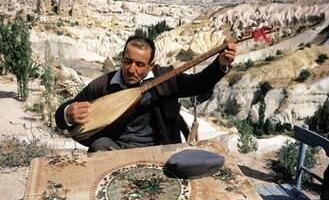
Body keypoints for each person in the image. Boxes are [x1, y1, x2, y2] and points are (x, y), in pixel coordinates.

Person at [54, 35, 237, 152]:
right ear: (122, 59)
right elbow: (63, 114)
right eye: (127, 61)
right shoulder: (104, 85)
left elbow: (197, 84)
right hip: (116, 149)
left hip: (160, 148)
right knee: (98, 148)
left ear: (150, 65)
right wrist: (68, 113)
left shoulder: (165, 78)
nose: (131, 69)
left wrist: (220, 65)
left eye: (140, 64)